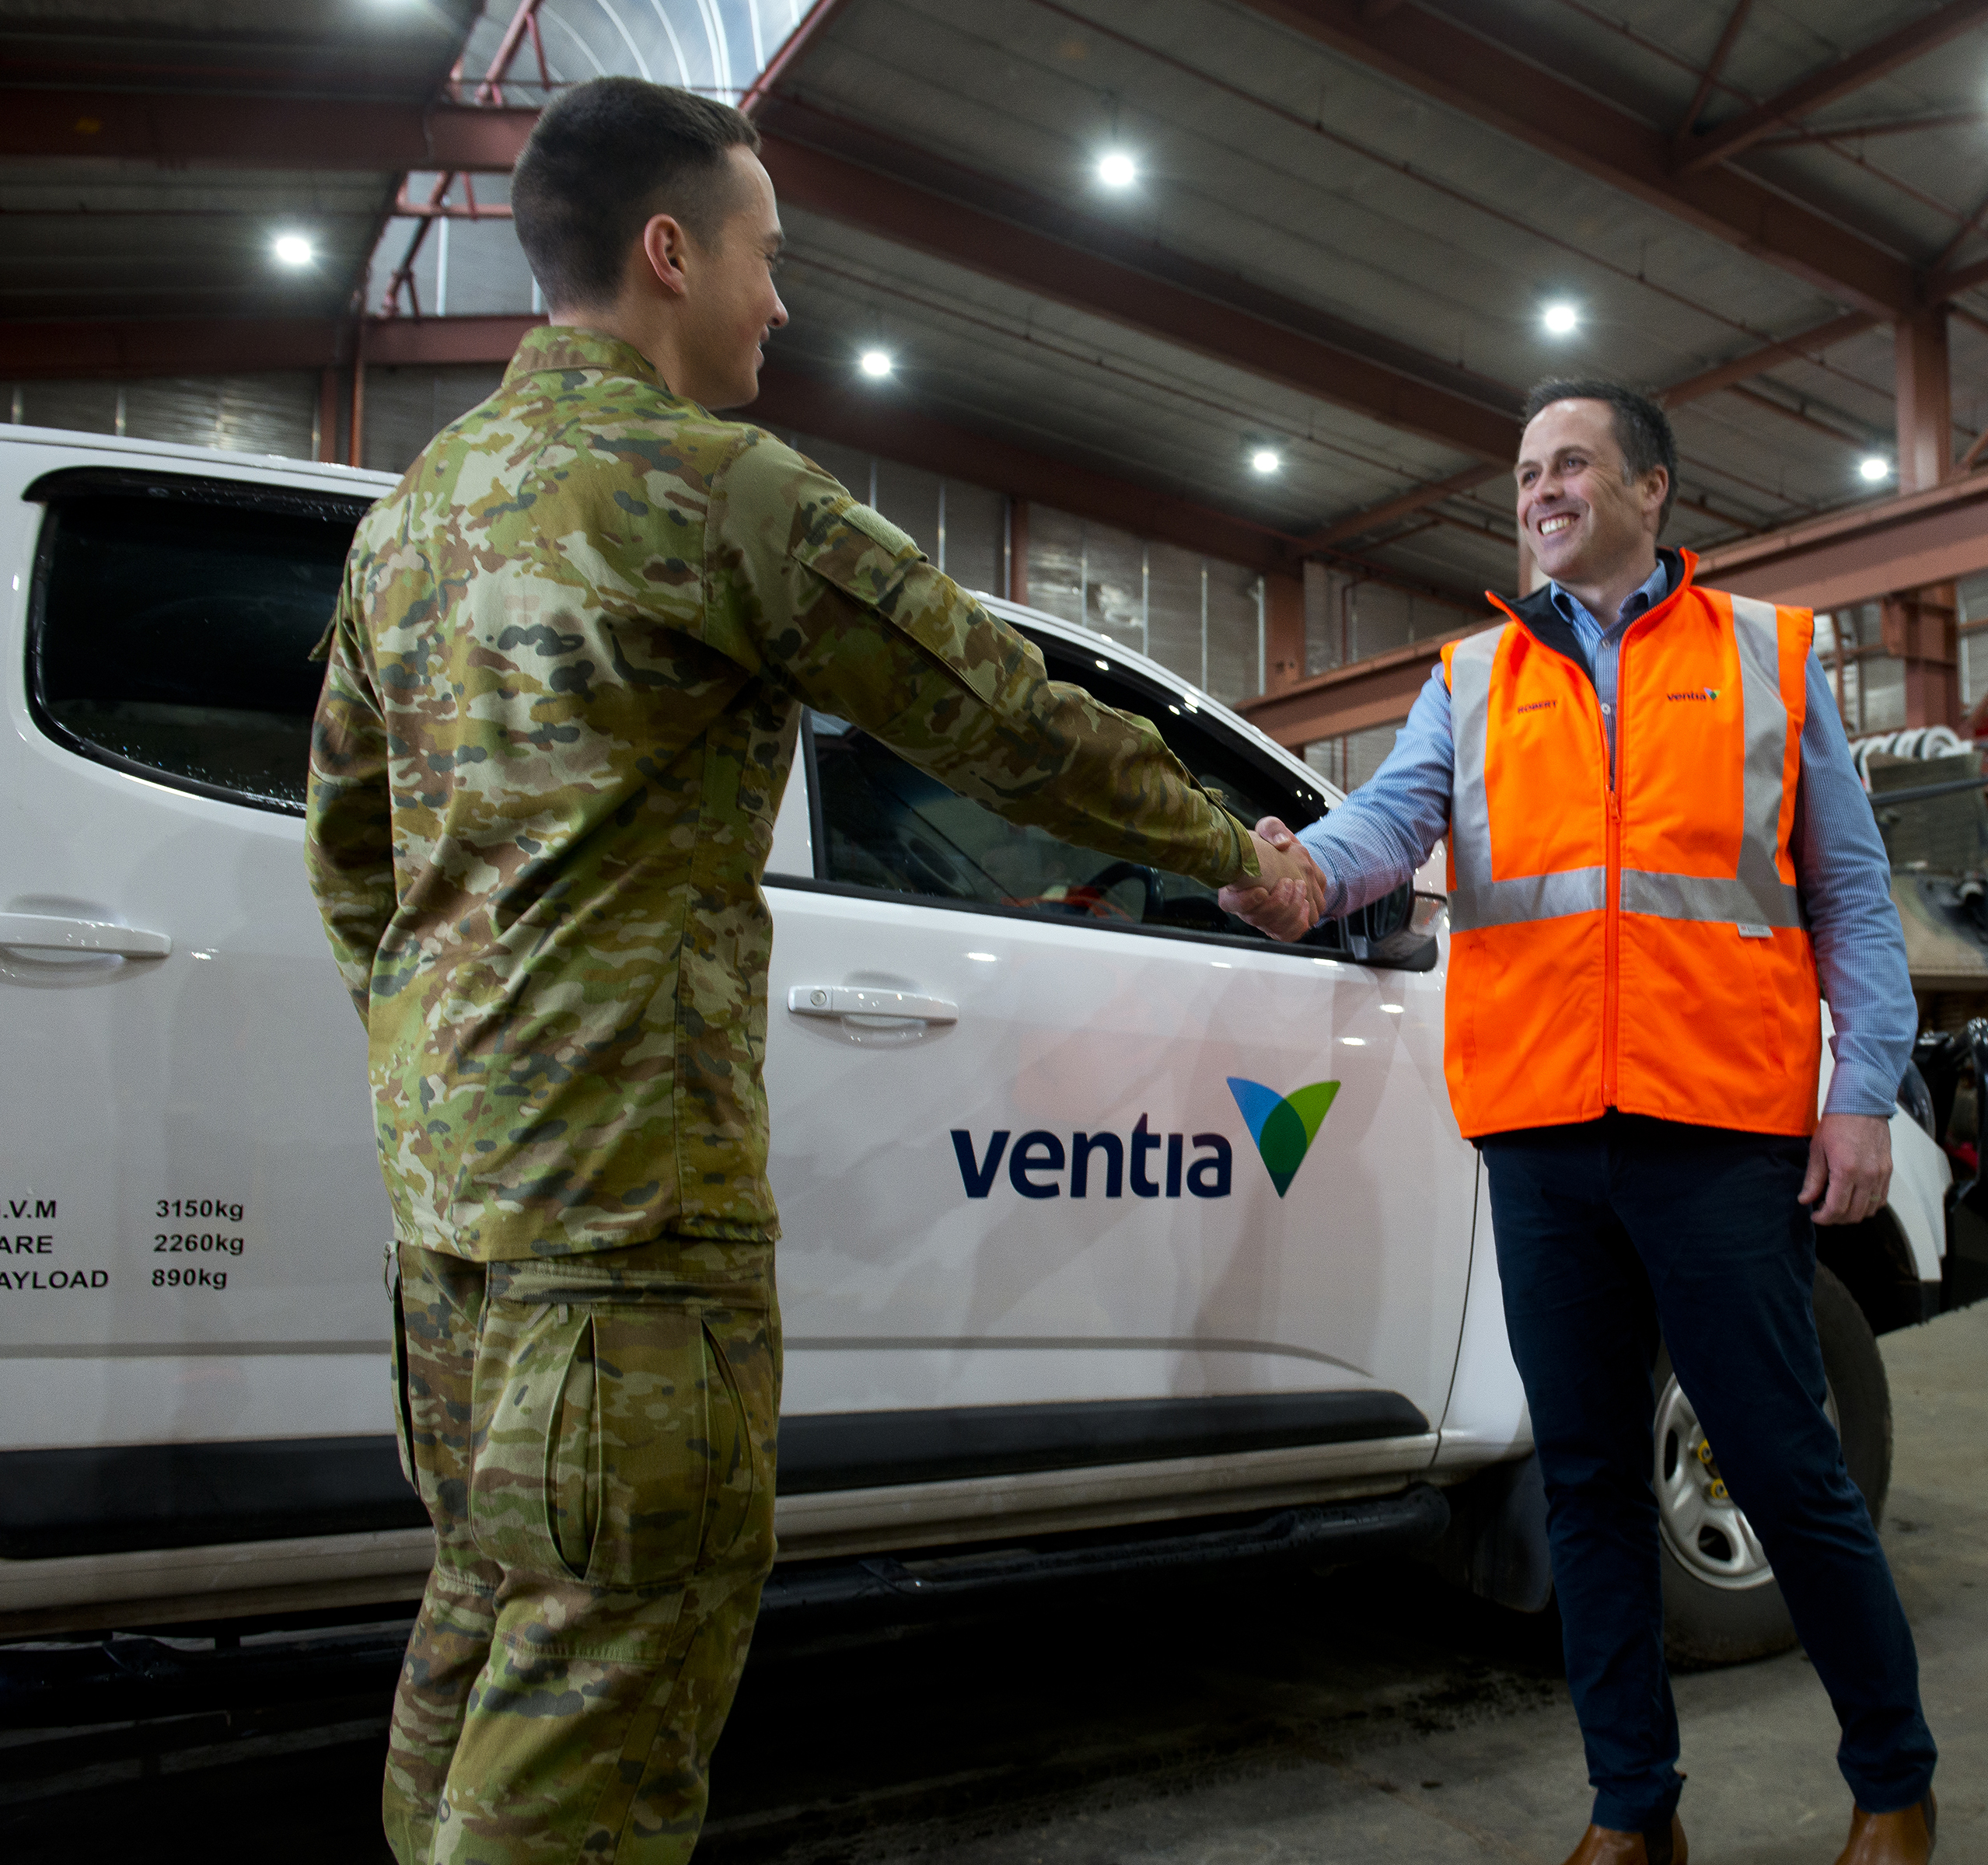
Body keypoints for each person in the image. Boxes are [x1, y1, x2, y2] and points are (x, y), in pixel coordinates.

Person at [304, 76, 1291, 1865]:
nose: (783, 301)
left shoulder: (411, 518)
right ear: (669, 252)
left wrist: (446, 1070)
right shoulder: (708, 491)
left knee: (485, 1619)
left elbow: (350, 856)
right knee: (607, 1692)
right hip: (628, 1234)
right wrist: (1243, 852)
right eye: (769, 258)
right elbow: (999, 716)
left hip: (451, 1222)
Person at [1224, 381, 1938, 1865]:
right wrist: (1297, 872)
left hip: (1719, 1133)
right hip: (1544, 1134)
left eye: (1570, 464)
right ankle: (1634, 1812)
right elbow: (1386, 828)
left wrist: (1858, 1094)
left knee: (1787, 1468)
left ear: (1652, 488)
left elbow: (1853, 898)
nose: (1540, 490)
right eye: (1526, 472)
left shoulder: (1769, 657)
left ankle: (1892, 1781)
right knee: (1591, 1483)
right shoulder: (1474, 676)